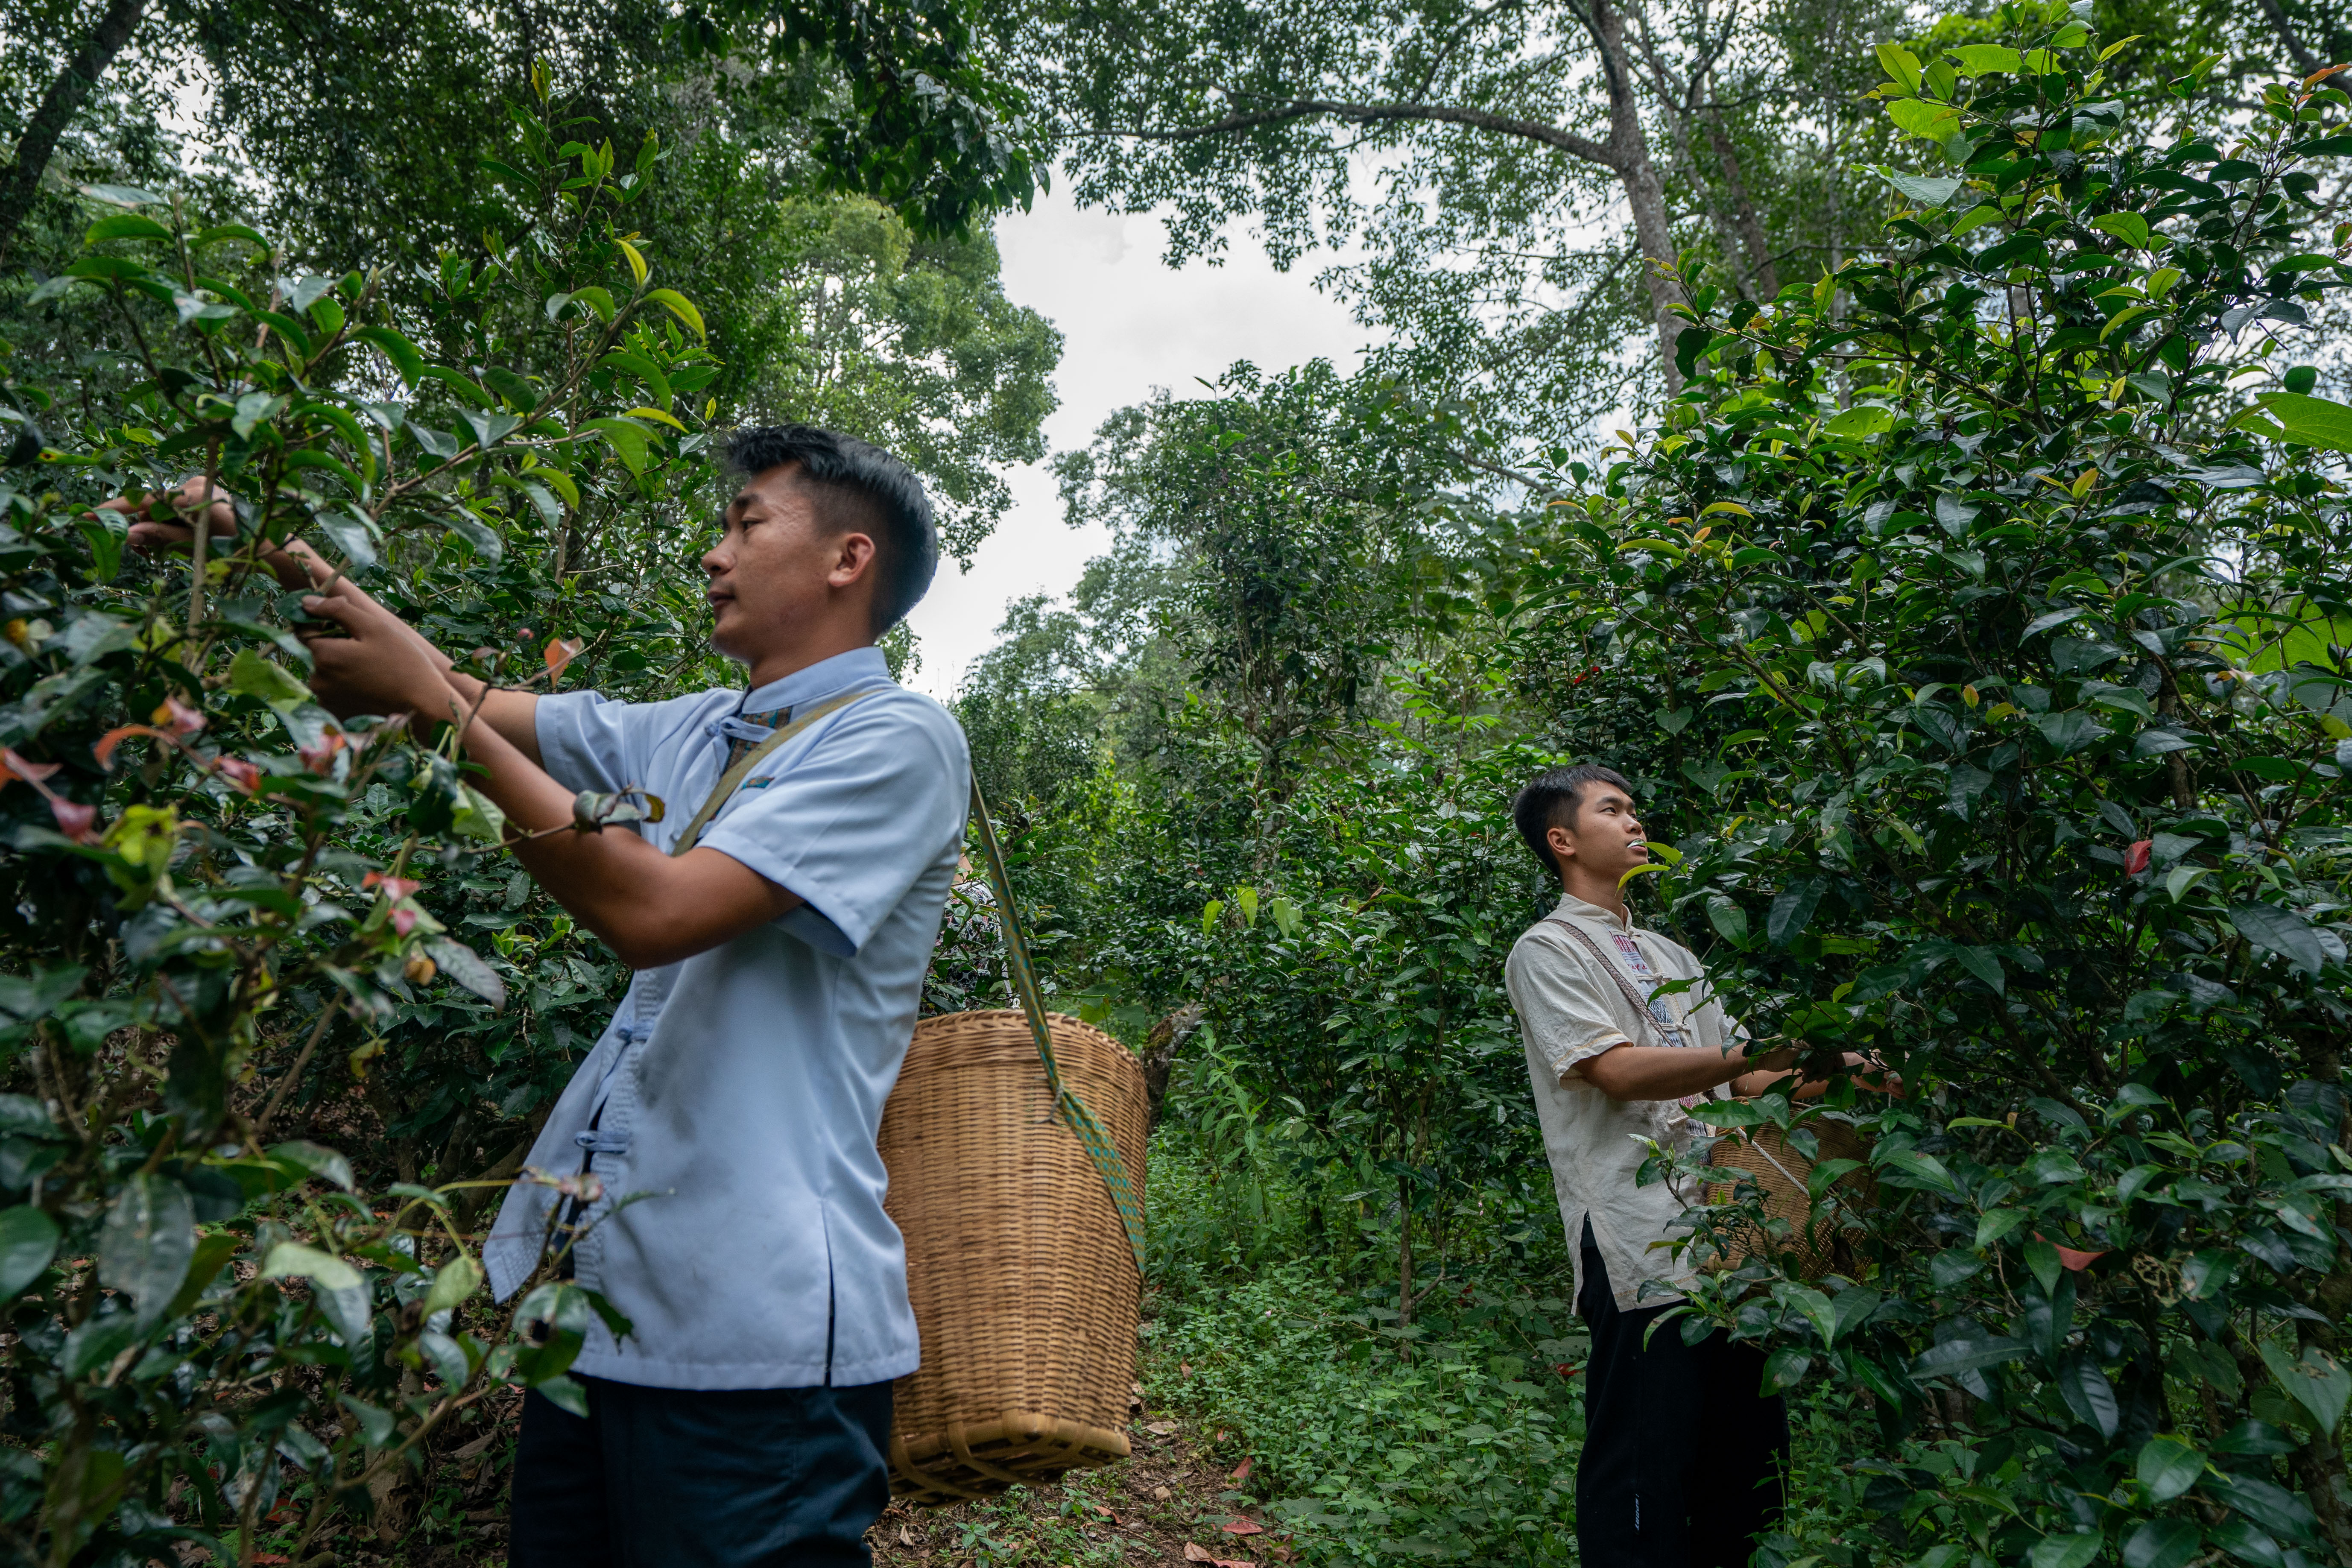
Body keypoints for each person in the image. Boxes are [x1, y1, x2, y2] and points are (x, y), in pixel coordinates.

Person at [123, 425, 970, 1566]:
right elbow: (459, 691)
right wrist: (276, 556)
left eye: (747, 523)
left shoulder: (898, 741)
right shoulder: (693, 728)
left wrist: (442, 716)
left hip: (760, 1341)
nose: (714, 552)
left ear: (847, 559)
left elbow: (654, 909)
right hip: (603, 1318)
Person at [1503, 764, 1875, 1568]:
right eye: (1613, 810)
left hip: (1736, 1238)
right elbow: (1612, 1069)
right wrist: (1749, 1055)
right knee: (1644, 1464)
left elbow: (1746, 1079)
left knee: (1745, 1466)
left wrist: (1844, 1070)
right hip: (1641, 1233)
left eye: (1635, 810)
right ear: (1562, 840)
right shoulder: (1547, 949)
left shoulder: (1669, 952)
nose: (1635, 823)